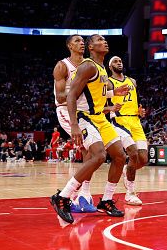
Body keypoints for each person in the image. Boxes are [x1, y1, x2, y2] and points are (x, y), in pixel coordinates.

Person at [50, 34, 130, 224]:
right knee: (98, 155)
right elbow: (68, 97)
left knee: (119, 156)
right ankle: (63, 196)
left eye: (105, 40)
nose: (105, 42)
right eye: (100, 40)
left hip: (98, 117)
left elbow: (95, 94)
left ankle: (107, 200)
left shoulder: (101, 68)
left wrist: (113, 93)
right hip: (81, 115)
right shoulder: (83, 66)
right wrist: (75, 124)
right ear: (91, 47)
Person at [53, 34, 97, 212]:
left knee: (93, 152)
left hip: (86, 113)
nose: (82, 44)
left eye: (83, 41)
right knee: (93, 151)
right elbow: (60, 96)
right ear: (69, 45)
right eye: (77, 41)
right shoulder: (63, 66)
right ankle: (78, 195)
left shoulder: (88, 65)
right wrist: (77, 90)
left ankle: (81, 196)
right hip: (67, 112)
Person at [107, 56, 149, 206]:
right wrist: (110, 108)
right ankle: (130, 193)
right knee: (133, 152)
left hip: (135, 121)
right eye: (115, 62)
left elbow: (135, 99)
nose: (119, 63)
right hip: (119, 120)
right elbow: (99, 99)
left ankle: (127, 170)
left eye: (120, 61)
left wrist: (140, 110)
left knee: (143, 159)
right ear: (110, 66)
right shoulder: (109, 82)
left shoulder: (132, 81)